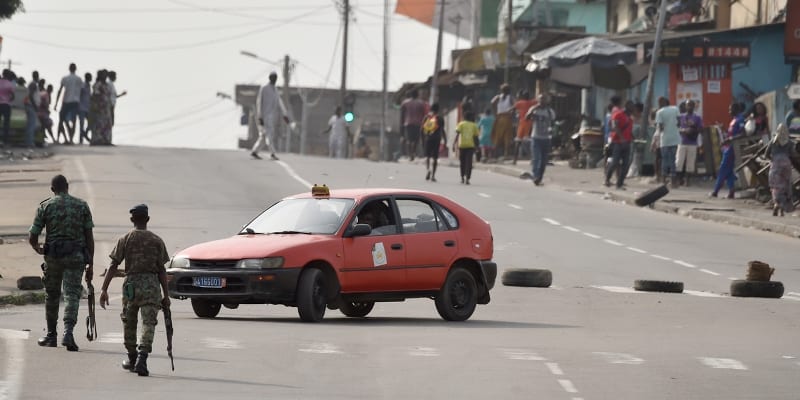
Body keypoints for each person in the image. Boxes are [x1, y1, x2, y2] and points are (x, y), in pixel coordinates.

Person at [99, 204, 170, 377]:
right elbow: (162, 270)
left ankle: (132, 357)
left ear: (132, 220)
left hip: (131, 285)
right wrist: (166, 295)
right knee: (148, 323)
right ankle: (142, 359)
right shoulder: (156, 240)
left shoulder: (126, 239)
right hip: (151, 286)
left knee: (129, 321)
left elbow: (113, 265)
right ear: (148, 219)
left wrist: (104, 289)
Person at [28, 175, 95, 351]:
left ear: (52, 189)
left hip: (54, 257)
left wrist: (38, 248)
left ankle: (51, 335)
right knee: (72, 295)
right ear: (67, 186)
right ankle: (68, 332)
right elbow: (89, 237)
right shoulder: (82, 205)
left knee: (52, 295)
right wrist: (91, 264)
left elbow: (33, 235)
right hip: (76, 257)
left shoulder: (45, 206)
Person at [710, 102, 746, 198]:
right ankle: (731, 191)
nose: (729, 111)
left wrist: (730, 139)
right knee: (729, 171)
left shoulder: (740, 119)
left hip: (733, 148)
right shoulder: (733, 120)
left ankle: (715, 191)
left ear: (736, 109)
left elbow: (743, 134)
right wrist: (723, 129)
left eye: (730, 109)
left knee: (723, 169)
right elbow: (731, 134)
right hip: (729, 147)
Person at [252, 72, 289, 160]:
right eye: (273, 78)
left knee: (264, 136)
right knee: (269, 135)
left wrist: (285, 115)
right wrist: (260, 117)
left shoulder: (275, 90)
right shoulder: (264, 89)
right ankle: (272, 153)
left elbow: (280, 102)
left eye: (275, 78)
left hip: (271, 117)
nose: (274, 79)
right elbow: (259, 103)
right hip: (264, 117)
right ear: (270, 78)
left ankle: (255, 151)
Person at [526, 94, 556, 186]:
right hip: (536, 137)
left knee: (543, 161)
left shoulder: (549, 111)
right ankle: (535, 176)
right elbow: (526, 118)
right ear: (538, 100)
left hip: (546, 138)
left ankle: (539, 177)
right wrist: (533, 109)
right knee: (536, 158)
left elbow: (553, 122)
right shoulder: (534, 110)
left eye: (544, 100)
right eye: (540, 99)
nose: (542, 102)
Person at [766, 124, 795, 216]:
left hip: (775, 166)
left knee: (776, 187)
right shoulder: (790, 143)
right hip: (786, 165)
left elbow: (766, 154)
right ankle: (783, 209)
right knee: (785, 186)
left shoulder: (773, 142)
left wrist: (773, 160)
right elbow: (793, 155)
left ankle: (777, 204)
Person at [604, 96, 633, 189]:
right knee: (615, 162)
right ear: (627, 106)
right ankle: (607, 179)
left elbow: (628, 130)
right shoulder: (618, 114)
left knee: (625, 164)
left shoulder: (630, 118)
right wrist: (622, 138)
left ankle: (619, 183)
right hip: (617, 142)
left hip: (627, 143)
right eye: (631, 106)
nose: (633, 108)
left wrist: (632, 137)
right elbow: (614, 127)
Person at [655, 97, 681, 187]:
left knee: (664, 160)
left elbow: (660, 127)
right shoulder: (675, 109)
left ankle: (663, 181)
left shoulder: (659, 112)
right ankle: (673, 181)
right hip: (675, 138)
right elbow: (679, 122)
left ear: (662, 102)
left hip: (665, 139)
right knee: (673, 159)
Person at [676, 100, 702, 186]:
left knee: (690, 163)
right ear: (685, 106)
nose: (689, 107)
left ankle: (688, 181)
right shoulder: (681, 117)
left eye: (691, 105)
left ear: (694, 107)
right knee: (679, 161)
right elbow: (677, 128)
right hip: (682, 142)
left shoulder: (697, 117)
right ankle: (679, 180)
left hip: (692, 142)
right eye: (688, 105)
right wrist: (683, 130)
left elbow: (700, 129)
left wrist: (692, 129)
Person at [55, 63, 83, 144]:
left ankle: (58, 138)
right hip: (75, 101)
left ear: (69, 69)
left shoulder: (65, 78)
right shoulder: (79, 79)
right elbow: (81, 92)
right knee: (73, 121)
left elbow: (60, 90)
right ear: (75, 69)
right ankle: (70, 139)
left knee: (61, 119)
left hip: (66, 101)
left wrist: (56, 103)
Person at [452, 110, 479, 184]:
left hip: (462, 145)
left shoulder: (461, 124)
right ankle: (467, 178)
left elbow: (457, 135)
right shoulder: (474, 125)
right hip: (470, 146)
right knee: (469, 163)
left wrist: (454, 144)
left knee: (462, 162)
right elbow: (476, 137)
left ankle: (462, 177)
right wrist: (477, 146)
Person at [421, 102, 446, 182]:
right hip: (437, 139)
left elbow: (422, 129)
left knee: (427, 156)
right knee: (435, 157)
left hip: (428, 138)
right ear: (438, 109)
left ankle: (428, 169)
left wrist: (422, 140)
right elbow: (442, 130)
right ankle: (433, 175)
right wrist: (445, 140)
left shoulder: (427, 117)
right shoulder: (440, 118)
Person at [400, 89, 426, 161]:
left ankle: (410, 154)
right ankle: (413, 152)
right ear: (417, 95)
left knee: (409, 139)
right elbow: (424, 114)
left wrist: (401, 125)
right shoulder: (421, 103)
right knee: (416, 140)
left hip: (408, 123)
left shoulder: (405, 103)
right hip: (418, 124)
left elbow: (402, 115)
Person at [512, 90, 537, 165]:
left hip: (522, 123)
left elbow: (512, 109)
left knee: (518, 142)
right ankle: (532, 159)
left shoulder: (519, 103)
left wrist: (516, 114)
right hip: (530, 124)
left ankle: (514, 160)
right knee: (530, 142)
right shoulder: (533, 102)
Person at [490, 84, 514, 159]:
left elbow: (492, 102)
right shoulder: (510, 97)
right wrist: (512, 113)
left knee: (497, 136)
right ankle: (506, 154)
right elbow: (515, 105)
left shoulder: (498, 97)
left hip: (499, 118)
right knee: (507, 136)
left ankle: (494, 154)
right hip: (507, 118)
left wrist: (495, 112)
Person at [89, 70, 113, 145]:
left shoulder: (106, 85)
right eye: (104, 75)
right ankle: (97, 140)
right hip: (99, 107)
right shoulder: (98, 84)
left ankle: (106, 140)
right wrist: (95, 106)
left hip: (106, 107)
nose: (105, 76)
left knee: (107, 124)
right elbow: (95, 95)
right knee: (98, 124)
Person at [627, 103, 645, 178]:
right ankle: (629, 171)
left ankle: (634, 171)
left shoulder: (643, 118)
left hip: (639, 140)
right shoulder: (630, 117)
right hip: (630, 139)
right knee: (629, 156)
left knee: (636, 155)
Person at [24, 71, 41, 148]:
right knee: (31, 125)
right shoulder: (33, 84)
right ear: (36, 76)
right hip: (31, 106)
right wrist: (35, 106)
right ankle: (30, 143)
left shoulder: (32, 84)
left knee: (30, 125)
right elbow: (30, 96)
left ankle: (28, 142)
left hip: (30, 106)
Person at [0, 69, 15, 147]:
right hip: (6, 105)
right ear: (8, 75)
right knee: (6, 124)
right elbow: (12, 96)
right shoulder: (9, 84)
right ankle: (4, 141)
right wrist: (9, 99)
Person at [78, 73, 92, 144]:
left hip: (87, 107)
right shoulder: (83, 85)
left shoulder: (89, 86)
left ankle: (85, 134)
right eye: (90, 77)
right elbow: (79, 94)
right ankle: (81, 140)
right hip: (81, 107)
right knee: (82, 124)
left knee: (90, 122)